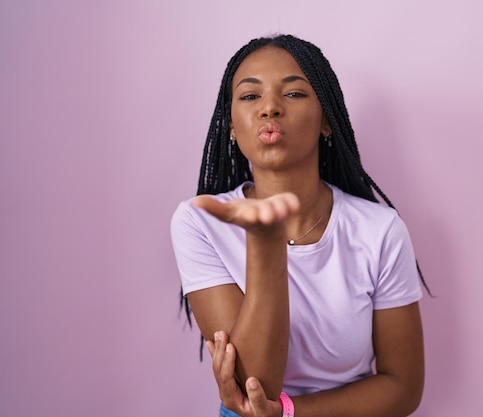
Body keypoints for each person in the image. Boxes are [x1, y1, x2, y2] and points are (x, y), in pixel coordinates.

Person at [170, 34, 428, 417]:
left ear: (326, 120)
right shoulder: (199, 221)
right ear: (232, 127)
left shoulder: (380, 230)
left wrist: (290, 413)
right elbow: (254, 384)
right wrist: (266, 240)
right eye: (250, 96)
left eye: (293, 94)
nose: (270, 108)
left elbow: (403, 387)